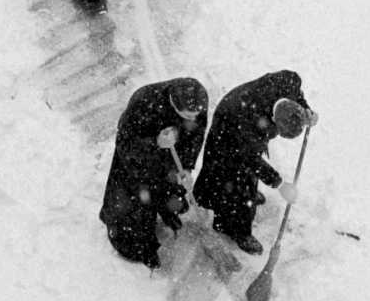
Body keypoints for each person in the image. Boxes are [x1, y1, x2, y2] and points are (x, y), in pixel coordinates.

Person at [193, 70, 317, 254]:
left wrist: (306, 109)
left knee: (245, 176)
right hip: (228, 123)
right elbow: (251, 160)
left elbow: (297, 91)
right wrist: (280, 185)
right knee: (233, 175)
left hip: (249, 120)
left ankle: (240, 197)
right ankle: (234, 228)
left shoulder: (288, 82)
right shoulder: (245, 122)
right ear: (274, 120)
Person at [99, 77, 208, 269]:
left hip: (170, 164)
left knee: (172, 195)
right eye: (187, 116)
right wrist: (155, 142)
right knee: (135, 210)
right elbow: (125, 144)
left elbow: (195, 139)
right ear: (175, 104)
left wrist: (188, 168)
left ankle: (166, 211)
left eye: (195, 115)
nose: (193, 119)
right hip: (138, 164)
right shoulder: (144, 101)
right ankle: (137, 246)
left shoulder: (197, 107)